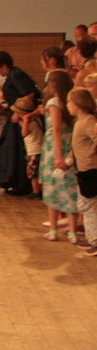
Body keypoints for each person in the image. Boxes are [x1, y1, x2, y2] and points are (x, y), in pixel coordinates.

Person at [0, 51, 41, 194]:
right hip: (16, 117)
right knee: (12, 150)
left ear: (5, 66)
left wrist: (18, 113)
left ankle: (22, 185)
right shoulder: (13, 74)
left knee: (17, 151)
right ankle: (17, 183)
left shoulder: (16, 75)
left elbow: (29, 94)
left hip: (20, 117)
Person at [39, 70, 79, 242]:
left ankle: (54, 230)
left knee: (53, 188)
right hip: (70, 146)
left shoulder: (54, 102)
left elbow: (56, 128)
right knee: (70, 189)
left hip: (54, 148)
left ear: (53, 84)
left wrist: (57, 156)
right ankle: (72, 232)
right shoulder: (70, 101)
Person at [66, 88, 97, 255]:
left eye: (69, 102)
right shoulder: (81, 122)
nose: (67, 105)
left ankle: (95, 240)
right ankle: (92, 237)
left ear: (78, 104)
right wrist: (69, 160)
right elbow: (78, 145)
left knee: (88, 206)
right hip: (84, 168)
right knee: (86, 205)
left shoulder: (88, 121)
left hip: (90, 169)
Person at [14, 96, 44, 200]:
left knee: (33, 173)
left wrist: (24, 121)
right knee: (37, 172)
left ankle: (36, 191)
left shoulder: (30, 122)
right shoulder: (35, 120)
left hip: (34, 150)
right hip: (38, 149)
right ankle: (39, 190)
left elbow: (24, 133)